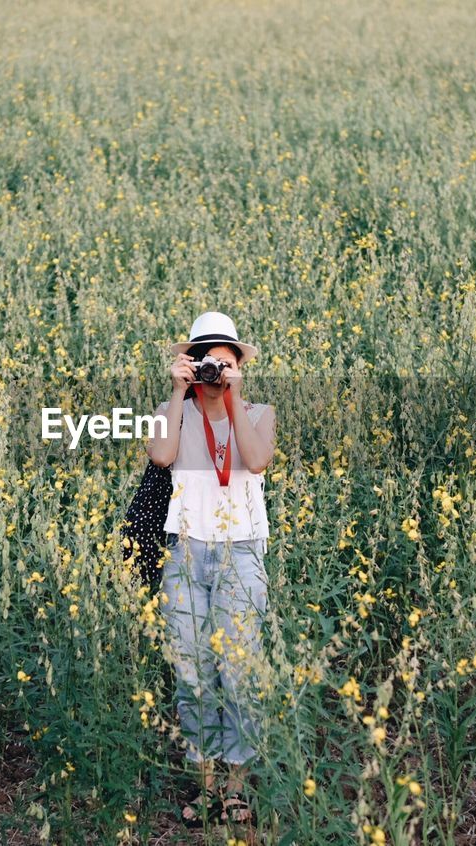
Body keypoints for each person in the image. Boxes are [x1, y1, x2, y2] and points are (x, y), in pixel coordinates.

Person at [146, 311, 276, 828]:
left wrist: (235, 398)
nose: (213, 372)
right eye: (204, 361)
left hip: (240, 555)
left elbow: (256, 459)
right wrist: (178, 394)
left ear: (240, 365)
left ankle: (237, 787)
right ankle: (205, 788)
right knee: (192, 674)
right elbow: (161, 456)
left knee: (239, 674)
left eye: (224, 362)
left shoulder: (260, 411)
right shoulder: (169, 410)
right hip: (185, 553)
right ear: (189, 364)